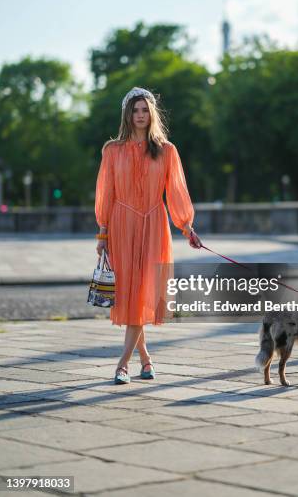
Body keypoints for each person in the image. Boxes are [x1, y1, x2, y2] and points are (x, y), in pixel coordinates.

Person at [94, 87, 201, 384]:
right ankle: (145, 360)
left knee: (142, 291)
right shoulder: (112, 150)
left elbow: (177, 192)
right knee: (130, 294)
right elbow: (106, 193)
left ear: (151, 113)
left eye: (144, 110)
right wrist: (102, 235)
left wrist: (187, 226)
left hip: (154, 224)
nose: (140, 115)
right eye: (135, 110)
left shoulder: (167, 150)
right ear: (127, 114)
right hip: (121, 224)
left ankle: (123, 364)